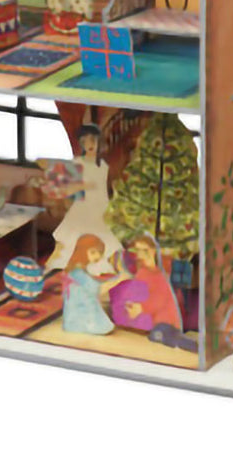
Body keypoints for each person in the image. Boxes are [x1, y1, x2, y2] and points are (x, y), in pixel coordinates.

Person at [48, 125, 123, 273]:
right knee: (74, 237)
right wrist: (83, 186)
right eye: (85, 141)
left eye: (93, 140)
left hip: (101, 206)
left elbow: (105, 188)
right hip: (83, 206)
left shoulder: (103, 165)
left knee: (105, 237)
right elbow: (67, 189)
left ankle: (100, 266)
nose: (90, 144)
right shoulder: (77, 163)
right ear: (82, 144)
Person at [109, 234, 185, 340]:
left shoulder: (157, 275)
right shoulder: (142, 272)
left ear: (153, 251)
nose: (141, 254)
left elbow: (159, 300)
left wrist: (141, 308)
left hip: (165, 326)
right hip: (150, 325)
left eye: (145, 250)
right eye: (138, 250)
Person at [61, 235, 127, 335]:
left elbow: (92, 282)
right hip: (79, 313)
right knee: (103, 327)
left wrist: (114, 279)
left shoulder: (78, 269)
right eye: (93, 252)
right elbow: (98, 290)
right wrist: (120, 279)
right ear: (82, 251)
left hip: (82, 308)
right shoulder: (77, 272)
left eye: (99, 252)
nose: (97, 256)